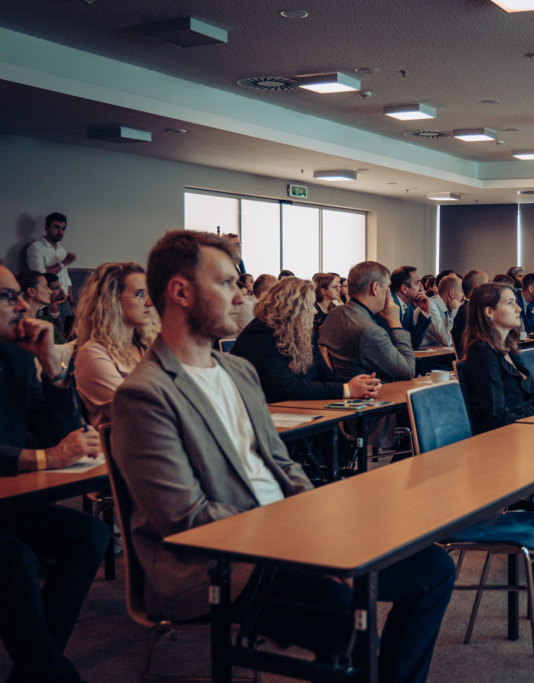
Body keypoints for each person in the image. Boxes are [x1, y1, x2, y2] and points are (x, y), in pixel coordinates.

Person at [111, 232, 453, 682]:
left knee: (432, 569)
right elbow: (186, 518)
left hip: (287, 533)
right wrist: (302, 543)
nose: (241, 297)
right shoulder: (145, 395)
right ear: (180, 292)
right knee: (347, 614)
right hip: (219, 563)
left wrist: (316, 523)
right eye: (226, 284)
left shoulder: (237, 370)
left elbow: (282, 464)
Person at [0, 256, 108, 683]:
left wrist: (52, 368)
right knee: (12, 557)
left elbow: (56, 434)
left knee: (90, 534)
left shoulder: (15, 357)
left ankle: (35, 671)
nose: (22, 306)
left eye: (20, 296)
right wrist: (43, 460)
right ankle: (48, 671)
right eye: (7, 297)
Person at [230, 276, 380, 402]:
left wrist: (361, 385)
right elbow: (286, 389)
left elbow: (324, 376)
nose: (314, 311)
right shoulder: (261, 334)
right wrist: (347, 390)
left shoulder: (302, 333)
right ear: (293, 309)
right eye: (309, 305)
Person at [72, 262, 159, 427]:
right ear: (112, 300)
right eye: (140, 294)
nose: (149, 303)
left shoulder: (149, 345)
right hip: (128, 448)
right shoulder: (92, 354)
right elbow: (136, 414)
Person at [460, 283, 534, 433]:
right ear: (489, 312)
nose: (518, 309)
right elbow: (497, 418)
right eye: (509, 303)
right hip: (505, 438)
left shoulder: (509, 349)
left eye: (516, 302)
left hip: (528, 428)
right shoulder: (482, 352)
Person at [319, 261, 417, 382]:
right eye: (387, 288)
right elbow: (407, 371)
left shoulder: (335, 313)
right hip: (373, 395)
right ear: (375, 288)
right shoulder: (370, 331)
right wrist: (395, 322)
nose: (389, 295)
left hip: (342, 391)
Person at [26, 212, 76, 318]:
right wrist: (64, 262)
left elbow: (67, 280)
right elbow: (40, 275)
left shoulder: (61, 250)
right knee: (51, 332)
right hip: (46, 303)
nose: (60, 232)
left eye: (63, 228)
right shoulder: (37, 247)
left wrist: (72, 304)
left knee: (67, 333)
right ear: (46, 227)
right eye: (56, 227)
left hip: (64, 301)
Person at [18, 270, 67, 345]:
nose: (50, 292)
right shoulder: (17, 326)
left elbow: (63, 346)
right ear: (31, 291)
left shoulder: (47, 320)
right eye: (46, 287)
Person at [389, 265, 432, 348]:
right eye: (417, 283)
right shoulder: (389, 304)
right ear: (404, 288)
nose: (421, 287)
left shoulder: (409, 308)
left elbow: (413, 343)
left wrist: (425, 313)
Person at [451, 269, 489, 356]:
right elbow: (468, 348)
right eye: (488, 284)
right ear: (478, 287)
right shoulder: (467, 312)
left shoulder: (472, 309)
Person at [419, 274, 463, 348]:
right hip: (421, 356)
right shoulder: (430, 305)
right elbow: (448, 340)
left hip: (437, 354)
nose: (464, 297)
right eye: (462, 292)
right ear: (452, 294)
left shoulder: (448, 307)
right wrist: (455, 311)